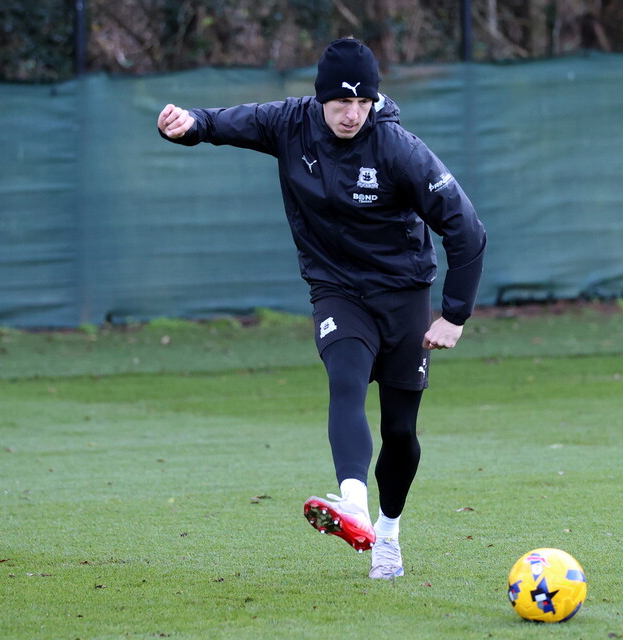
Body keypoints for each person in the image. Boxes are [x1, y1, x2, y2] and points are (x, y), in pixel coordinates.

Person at [157, 38, 486, 580]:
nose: (351, 114)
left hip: (404, 295)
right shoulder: (290, 123)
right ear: (320, 100)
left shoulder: (399, 150)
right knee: (346, 382)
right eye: (340, 104)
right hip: (336, 290)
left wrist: (453, 315)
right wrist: (188, 124)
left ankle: (388, 532)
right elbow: (222, 123)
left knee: (401, 432)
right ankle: (351, 503)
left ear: (374, 101)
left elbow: (466, 229)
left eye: (362, 104)